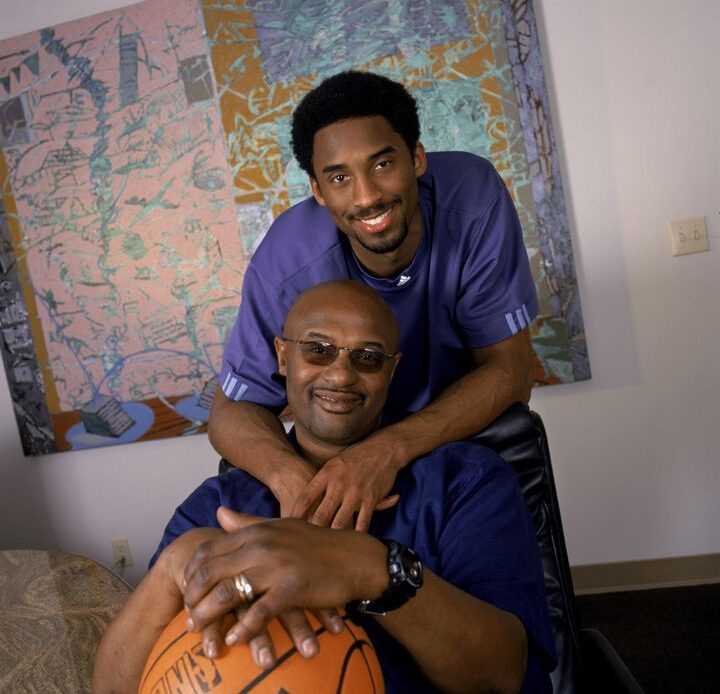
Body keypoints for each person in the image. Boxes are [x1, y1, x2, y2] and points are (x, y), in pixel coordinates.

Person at [93, 281, 554, 694]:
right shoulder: (217, 506)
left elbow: (501, 674)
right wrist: (177, 561)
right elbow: (118, 686)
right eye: (318, 350)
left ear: (391, 373)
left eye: (368, 358)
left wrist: (374, 570)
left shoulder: (466, 480)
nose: (340, 375)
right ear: (282, 356)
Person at [210, 70, 539, 532]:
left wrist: (386, 450)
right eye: (339, 177)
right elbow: (230, 411)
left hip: (452, 444)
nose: (366, 197)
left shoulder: (474, 196)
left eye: (382, 165)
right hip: (334, 461)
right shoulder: (285, 260)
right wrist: (297, 483)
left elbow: (513, 369)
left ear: (417, 158)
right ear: (318, 191)